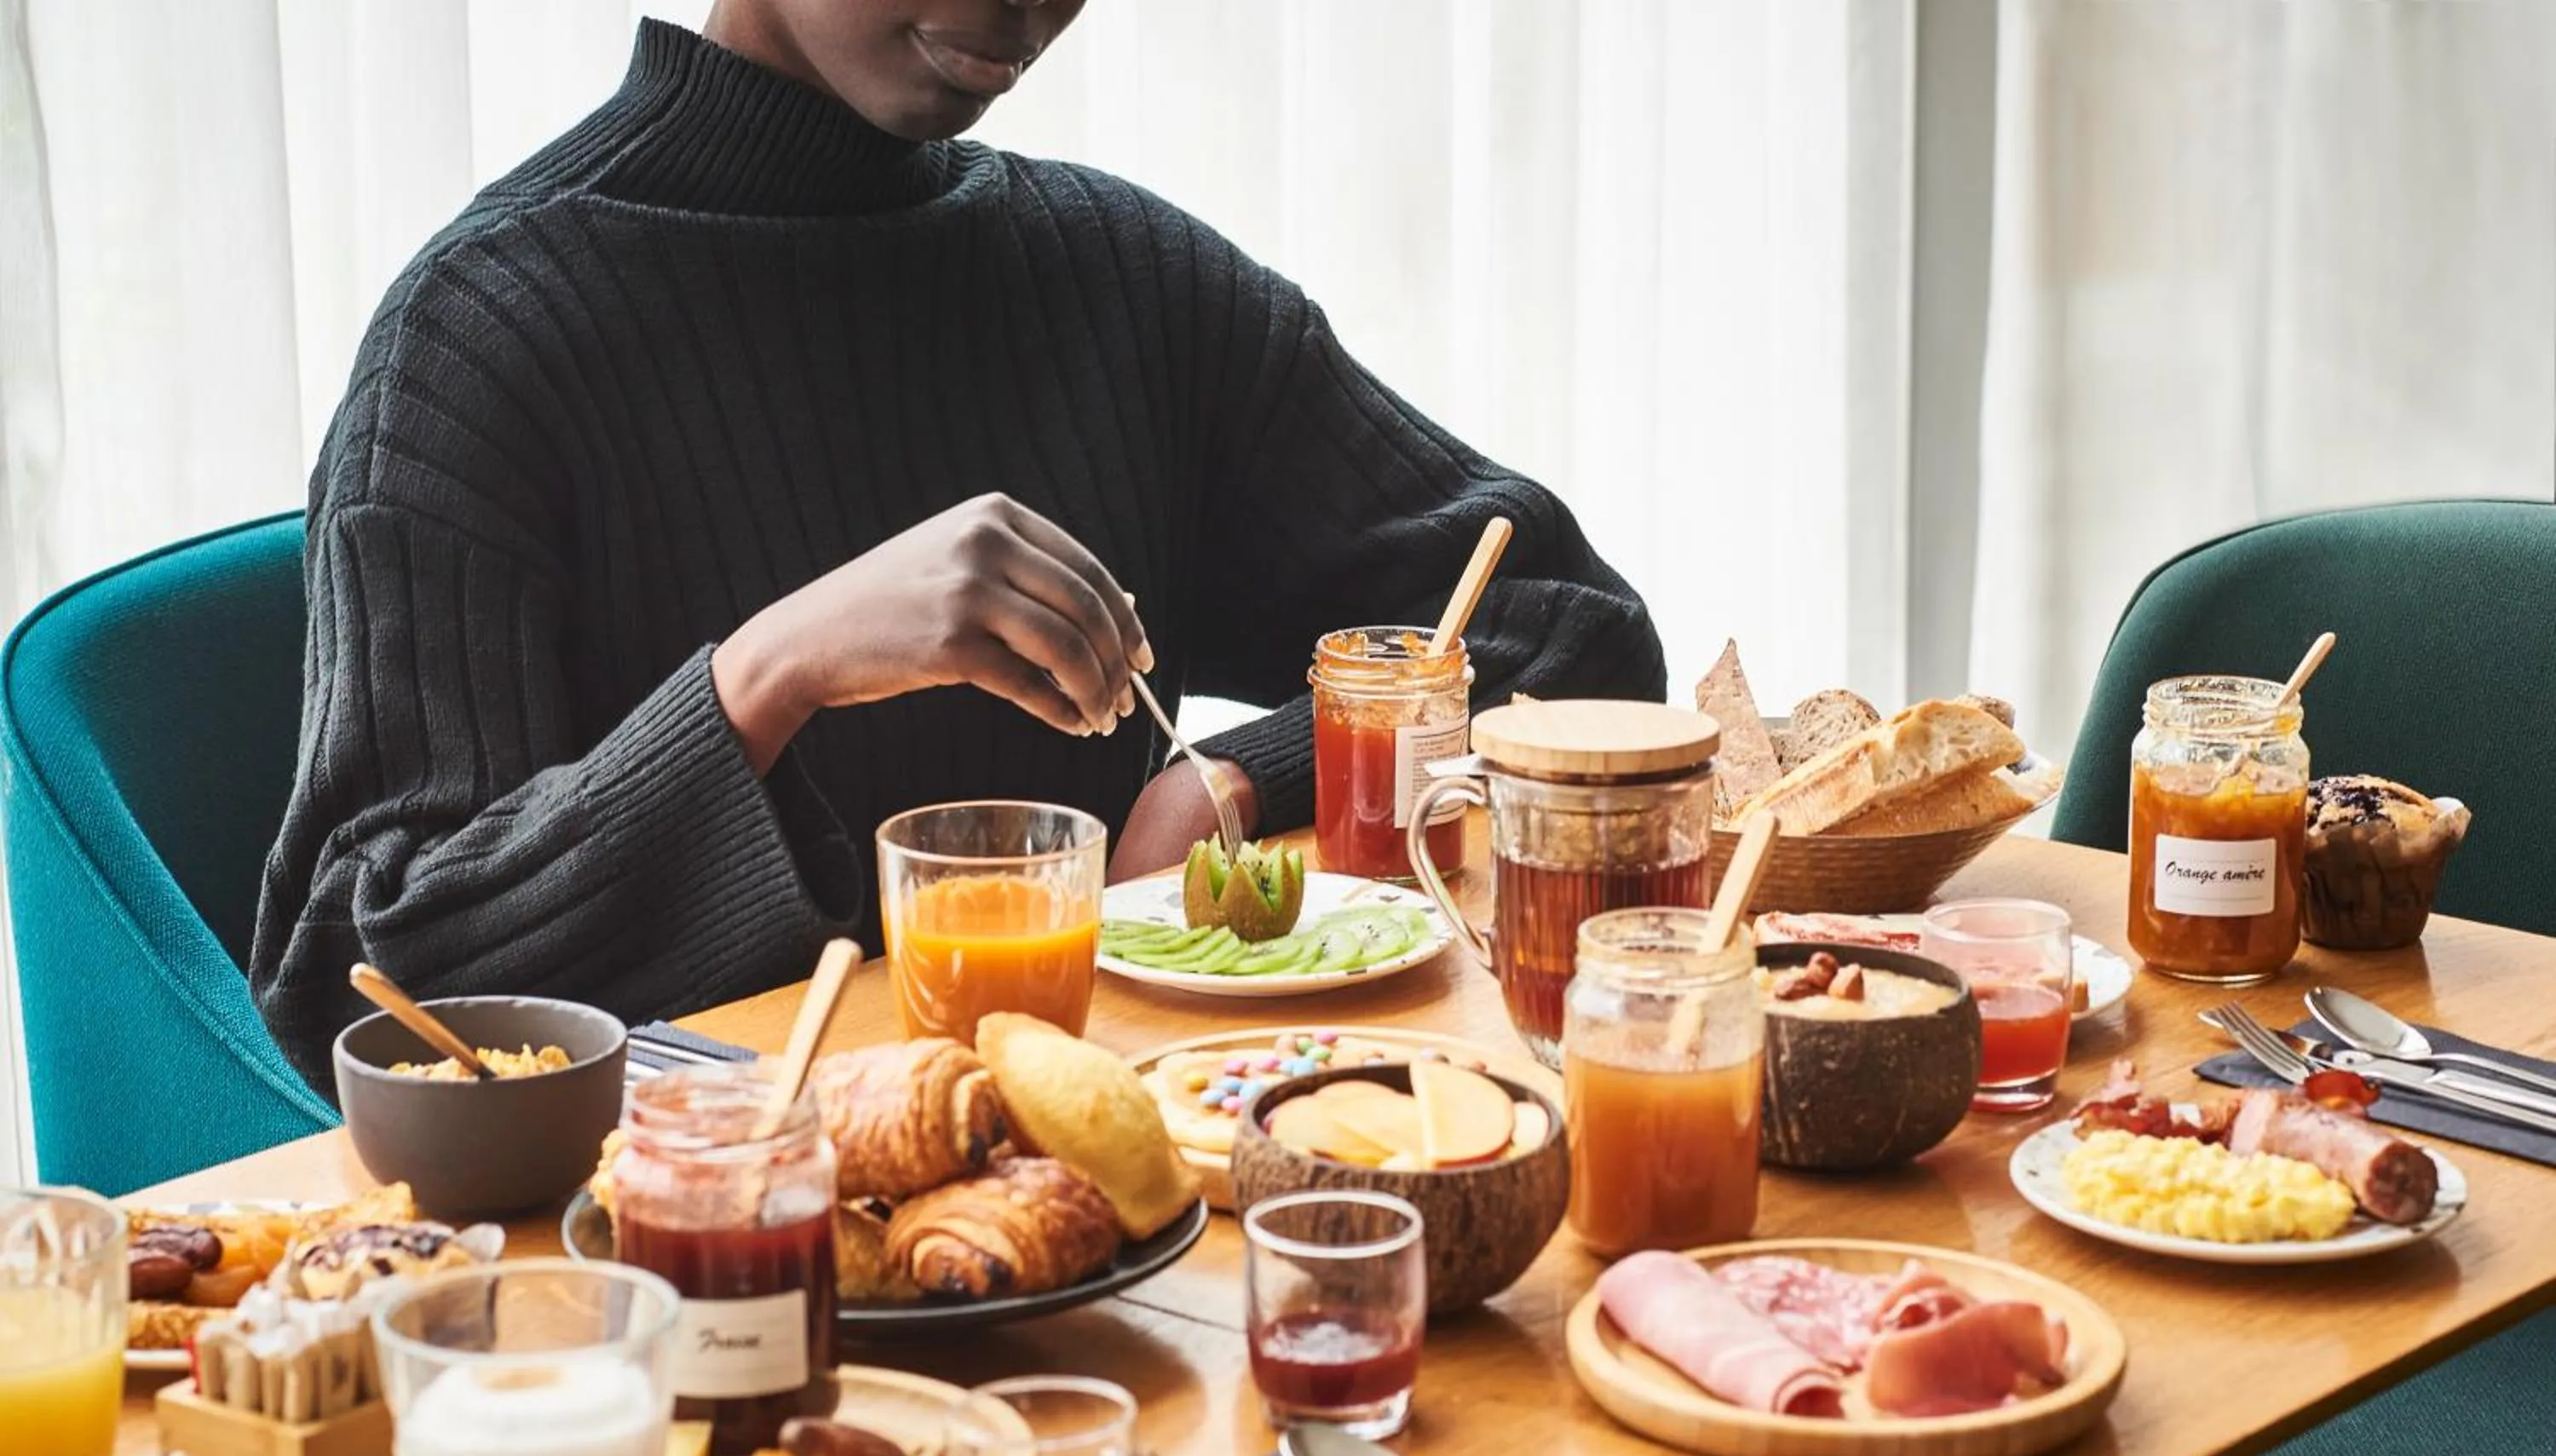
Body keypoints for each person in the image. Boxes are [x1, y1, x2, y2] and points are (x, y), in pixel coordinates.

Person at [251, 0, 1667, 1088]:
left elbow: (1570, 629)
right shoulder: (476, 339)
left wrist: (1242, 776)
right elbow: (353, 989)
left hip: (1133, 1224)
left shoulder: (1123, 280)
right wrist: (772, 673)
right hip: (682, 1288)